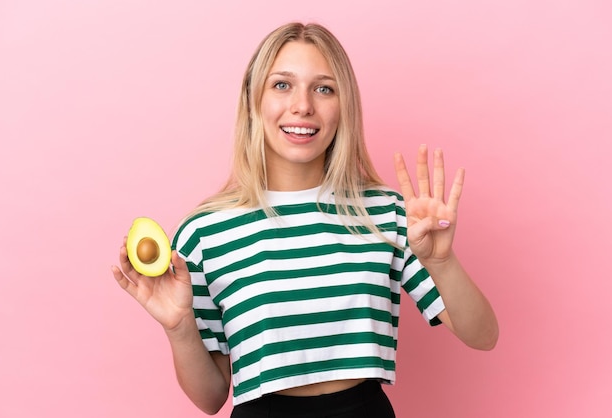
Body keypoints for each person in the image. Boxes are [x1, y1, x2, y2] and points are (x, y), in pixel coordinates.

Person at [111, 22, 499, 418]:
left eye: (324, 88)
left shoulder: (387, 213)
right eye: (282, 85)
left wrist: (441, 262)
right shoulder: (205, 232)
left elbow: (483, 336)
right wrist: (179, 329)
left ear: (343, 105)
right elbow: (210, 398)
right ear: (253, 100)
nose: (303, 106)